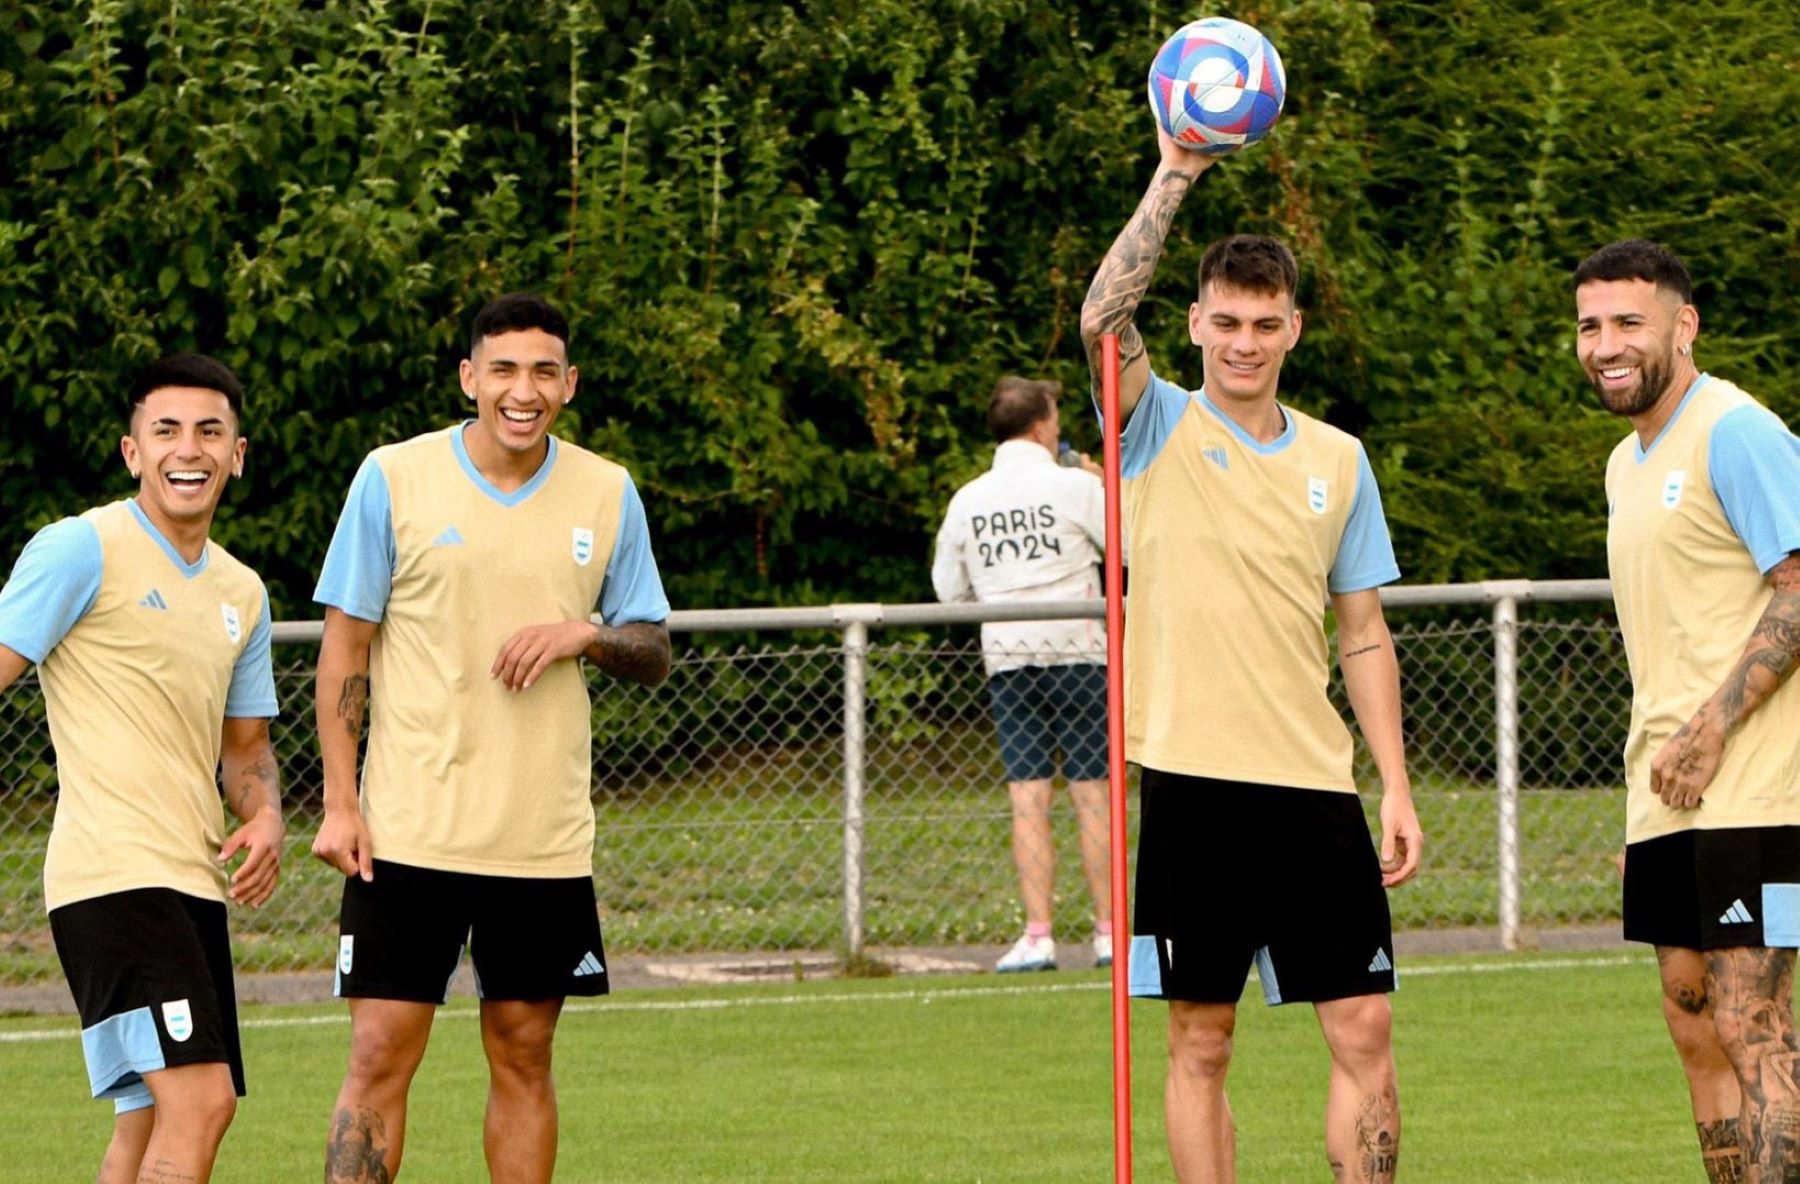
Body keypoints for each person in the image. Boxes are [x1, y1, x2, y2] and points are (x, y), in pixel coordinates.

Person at [1078, 126, 1422, 1183]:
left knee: (1363, 1027)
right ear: (1192, 324)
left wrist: (1396, 784)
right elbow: (1100, 315)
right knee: (1203, 1041)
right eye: (1225, 321)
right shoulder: (1154, 425)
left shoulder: (1338, 457)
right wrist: (1176, 174)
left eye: (1264, 324)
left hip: (1314, 783)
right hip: (1190, 779)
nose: (1243, 341)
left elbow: (1360, 626)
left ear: (1293, 329)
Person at [310, 292, 672, 1184]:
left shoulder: (607, 488)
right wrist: (341, 801)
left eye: (544, 371)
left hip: (539, 841)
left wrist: (583, 634)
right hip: (407, 832)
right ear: (470, 377)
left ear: (569, 383)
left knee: (523, 1057)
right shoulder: (392, 477)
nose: (524, 390)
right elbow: (345, 647)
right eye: (503, 369)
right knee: (380, 1056)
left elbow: (653, 646)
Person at [0, 354, 283, 1184]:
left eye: (209, 431)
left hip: (192, 881)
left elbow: (246, 753)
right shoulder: (80, 548)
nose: (186, 449)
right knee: (202, 1101)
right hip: (112, 873)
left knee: (152, 1116)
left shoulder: (244, 592)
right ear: (133, 452)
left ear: (237, 453)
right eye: (165, 430)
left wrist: (263, 816)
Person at [1577, 238, 1800, 1183]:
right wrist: (1647, 800)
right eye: (1589, 326)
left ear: (1683, 323)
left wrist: (1713, 728)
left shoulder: (1736, 430)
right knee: (1693, 1023)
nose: (1605, 345)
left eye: (1629, 322)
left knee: (1754, 1024)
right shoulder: (1626, 465)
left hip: (1758, 786)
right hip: (1668, 796)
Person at [931, 376, 1113, 973]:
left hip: (1009, 658)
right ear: (1041, 426)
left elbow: (948, 590)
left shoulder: (968, 499)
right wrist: (1099, 485)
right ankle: (1109, 932)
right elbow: (1129, 546)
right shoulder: (1072, 486)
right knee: (1093, 796)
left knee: (1028, 798)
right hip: (1079, 652)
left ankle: (1038, 935)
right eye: (1055, 416)